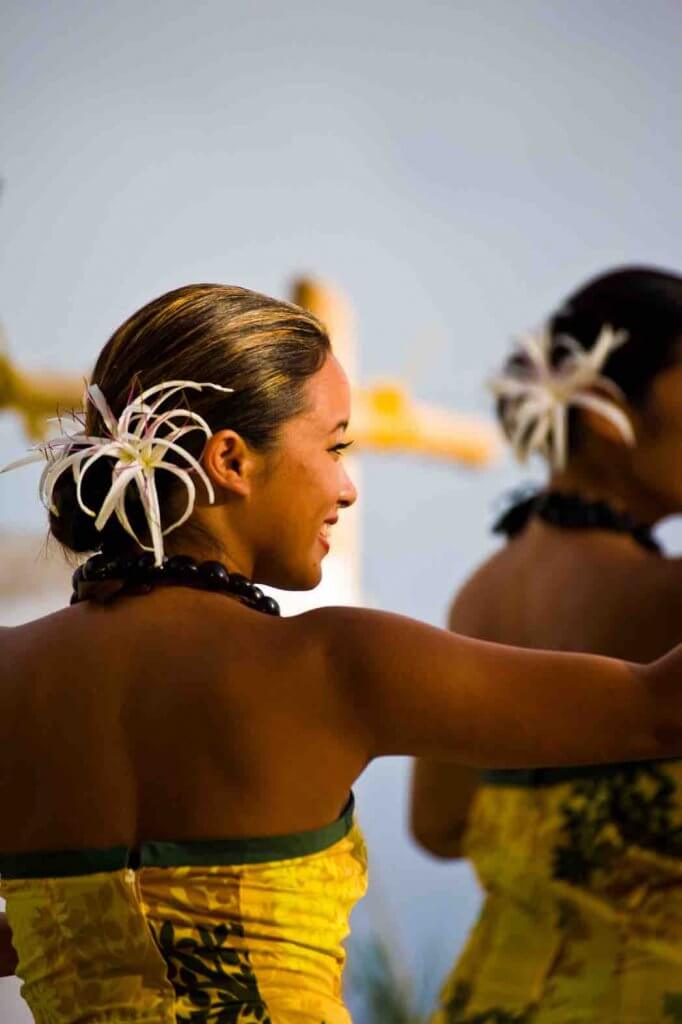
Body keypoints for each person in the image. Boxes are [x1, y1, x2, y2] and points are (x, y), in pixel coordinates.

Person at [1, 282, 682, 1024]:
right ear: (230, 458)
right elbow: (660, 712)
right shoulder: (333, 663)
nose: (347, 487)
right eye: (334, 446)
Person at [411, 266, 682, 1024]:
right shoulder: (670, 599)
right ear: (602, 410)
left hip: (490, 1004)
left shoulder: (478, 595)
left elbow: (437, 827)